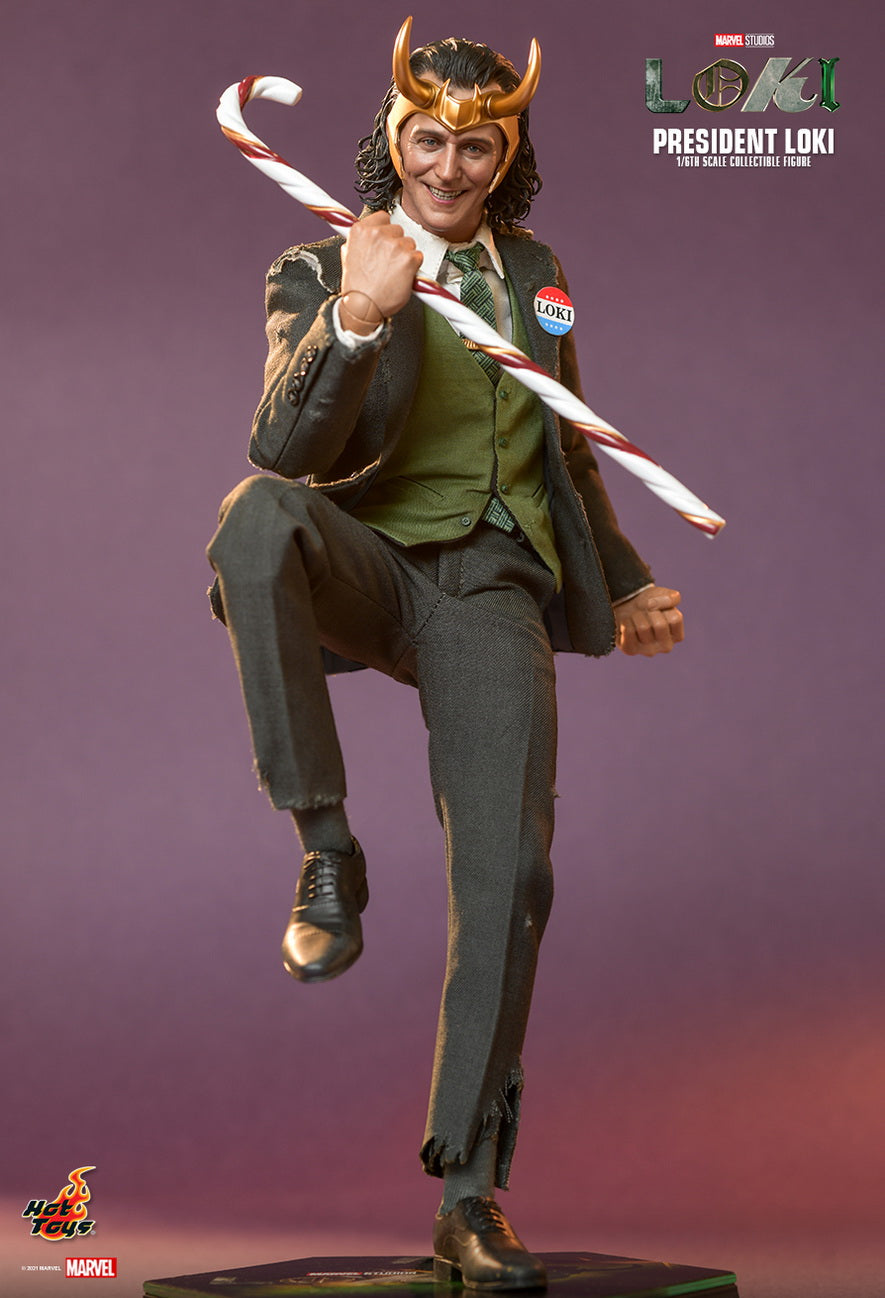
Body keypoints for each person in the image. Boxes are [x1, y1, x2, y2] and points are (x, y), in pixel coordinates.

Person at [207, 18, 683, 1290]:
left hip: (493, 586)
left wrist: (626, 578)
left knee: (513, 871)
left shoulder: (537, 272)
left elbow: (565, 438)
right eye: (430, 138)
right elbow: (281, 450)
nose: (451, 166)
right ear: (393, 137)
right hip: (370, 559)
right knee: (253, 521)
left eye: (480, 146)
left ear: (508, 154)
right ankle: (325, 849)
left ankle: (470, 1193)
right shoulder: (322, 263)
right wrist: (356, 317)